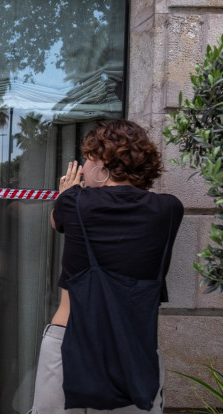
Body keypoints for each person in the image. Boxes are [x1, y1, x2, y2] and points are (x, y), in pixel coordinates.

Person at [29, 119, 183, 413]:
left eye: (87, 160)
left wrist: (66, 193)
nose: (83, 169)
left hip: (69, 343)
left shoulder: (73, 202)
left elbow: (56, 222)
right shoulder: (169, 209)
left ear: (102, 162)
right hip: (133, 350)